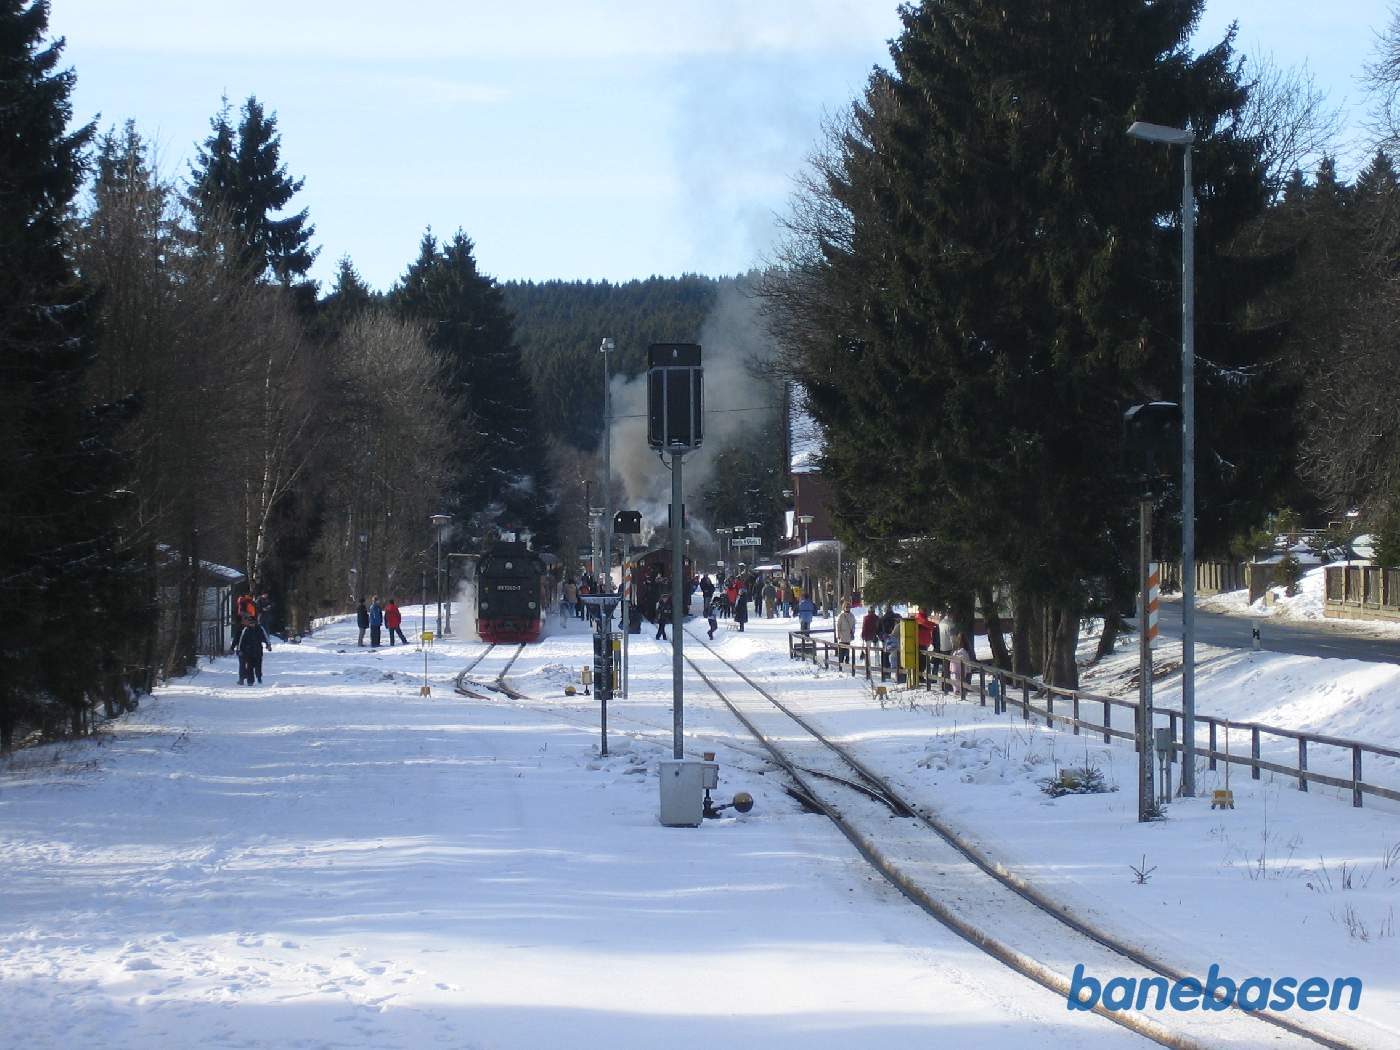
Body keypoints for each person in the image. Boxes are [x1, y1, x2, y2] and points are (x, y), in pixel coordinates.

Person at [236, 616, 272, 685]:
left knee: (258, 666)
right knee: (250, 667)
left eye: (253, 623)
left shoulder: (260, 629)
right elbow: (241, 641)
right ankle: (250, 681)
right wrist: (239, 650)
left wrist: (268, 645)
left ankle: (259, 676)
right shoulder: (246, 630)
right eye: (250, 623)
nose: (252, 624)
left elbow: (265, 637)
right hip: (249, 651)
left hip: (258, 650)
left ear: (255, 623)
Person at [836, 600, 855, 666]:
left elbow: (853, 625)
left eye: (848, 607)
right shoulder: (841, 616)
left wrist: (853, 632)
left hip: (848, 635)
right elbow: (838, 625)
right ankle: (841, 663)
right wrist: (838, 634)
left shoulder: (852, 615)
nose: (847, 608)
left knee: (847, 650)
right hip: (842, 636)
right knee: (842, 650)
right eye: (846, 607)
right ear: (843, 607)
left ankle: (847, 662)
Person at [655, 573, 671, 640]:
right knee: (662, 624)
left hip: (663, 613)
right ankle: (661, 636)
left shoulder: (661, 586)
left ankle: (660, 636)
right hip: (662, 613)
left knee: (662, 625)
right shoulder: (661, 586)